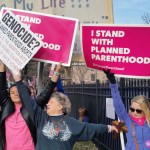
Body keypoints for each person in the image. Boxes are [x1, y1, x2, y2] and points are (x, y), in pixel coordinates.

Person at [12, 69, 118, 150]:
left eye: (51, 102)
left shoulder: (71, 123)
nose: (47, 104)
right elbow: (29, 103)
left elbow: (90, 128)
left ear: (60, 106)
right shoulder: (41, 117)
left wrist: (110, 127)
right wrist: (18, 81)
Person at [0, 60, 61, 150]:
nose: (15, 94)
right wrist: (3, 62)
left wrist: (56, 71)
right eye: (12, 92)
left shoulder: (32, 107)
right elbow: (1, 85)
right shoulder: (6, 106)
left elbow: (47, 92)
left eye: (18, 91)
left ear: (25, 93)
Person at [103, 69, 150, 150]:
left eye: (138, 111)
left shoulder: (148, 122)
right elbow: (118, 104)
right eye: (132, 109)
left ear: (145, 110)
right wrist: (113, 83)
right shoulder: (128, 119)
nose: (134, 113)